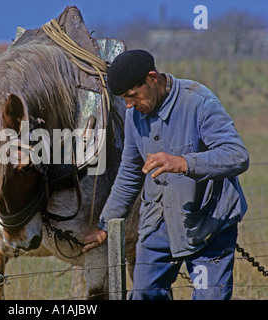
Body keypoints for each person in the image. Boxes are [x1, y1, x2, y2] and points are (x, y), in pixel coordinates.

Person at [82, 49, 249, 300]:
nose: (128, 104)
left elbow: (237, 155)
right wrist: (106, 224)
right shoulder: (134, 115)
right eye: (124, 99)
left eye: (132, 95)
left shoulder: (199, 102)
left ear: (152, 78)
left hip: (208, 224)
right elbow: (129, 173)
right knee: (144, 295)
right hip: (158, 224)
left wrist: (183, 163)